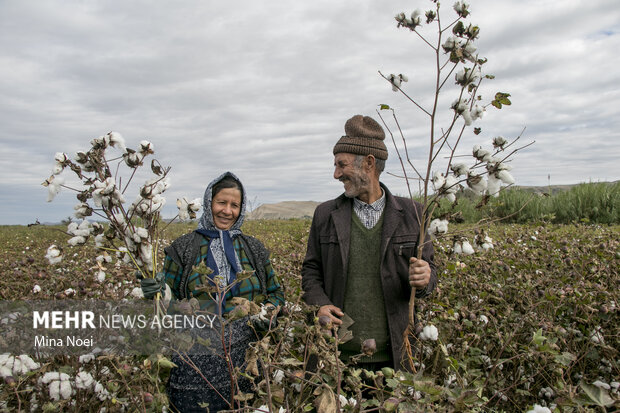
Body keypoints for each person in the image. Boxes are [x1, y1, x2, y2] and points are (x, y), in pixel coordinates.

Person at [301, 115, 437, 372]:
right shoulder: (325, 214)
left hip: (395, 355)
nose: (336, 174)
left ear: (369, 164)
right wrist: (320, 303)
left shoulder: (414, 214)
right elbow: (311, 270)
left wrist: (426, 278)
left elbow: (430, 278)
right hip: (337, 357)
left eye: (341, 165)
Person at [141, 171, 285, 412]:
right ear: (209, 203)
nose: (227, 211)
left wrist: (264, 315)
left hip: (247, 361)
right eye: (221, 202)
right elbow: (167, 304)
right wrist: (155, 292)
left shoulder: (254, 250)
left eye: (234, 205)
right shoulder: (183, 249)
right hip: (194, 364)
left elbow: (276, 294)